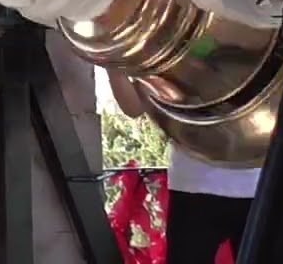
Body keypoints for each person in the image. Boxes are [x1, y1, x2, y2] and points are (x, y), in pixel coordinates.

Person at [107, 70, 260, 262]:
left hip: (258, 187)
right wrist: (112, 66)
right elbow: (134, 108)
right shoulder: (172, 53)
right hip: (194, 187)